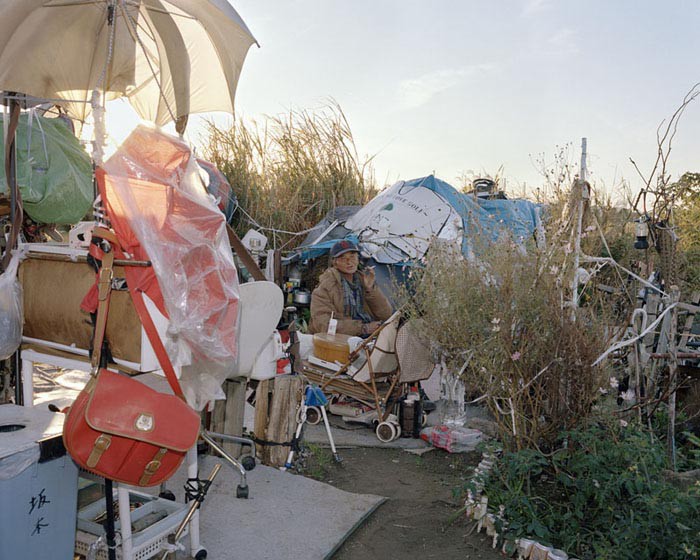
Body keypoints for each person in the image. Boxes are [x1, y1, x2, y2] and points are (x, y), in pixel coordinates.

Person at [308, 239, 392, 336]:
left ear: (358, 259)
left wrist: (370, 289)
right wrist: (363, 328)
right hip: (336, 343)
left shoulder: (363, 280)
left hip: (365, 340)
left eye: (352, 257)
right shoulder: (325, 288)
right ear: (335, 263)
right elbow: (323, 324)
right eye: (343, 258)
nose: (349, 262)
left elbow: (386, 314)